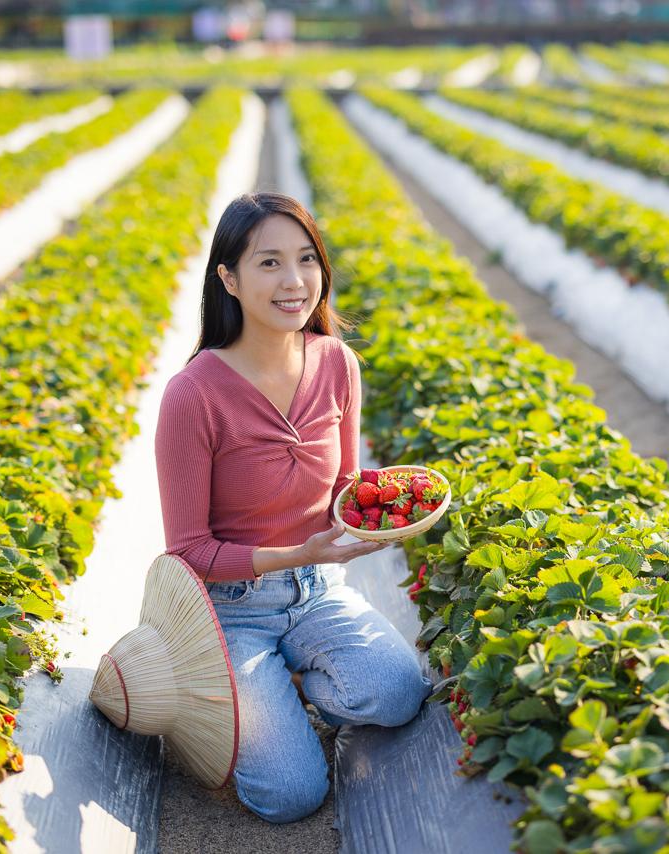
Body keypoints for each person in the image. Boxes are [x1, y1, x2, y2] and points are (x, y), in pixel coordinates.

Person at [154, 191, 434, 824]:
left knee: (399, 694)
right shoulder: (193, 396)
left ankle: (287, 686)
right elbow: (190, 552)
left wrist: (385, 507)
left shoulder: (337, 363)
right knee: (290, 796)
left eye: (306, 259)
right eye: (270, 262)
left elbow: (345, 485)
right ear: (228, 277)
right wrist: (296, 551)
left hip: (316, 590)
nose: (295, 281)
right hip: (230, 610)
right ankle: (223, 691)